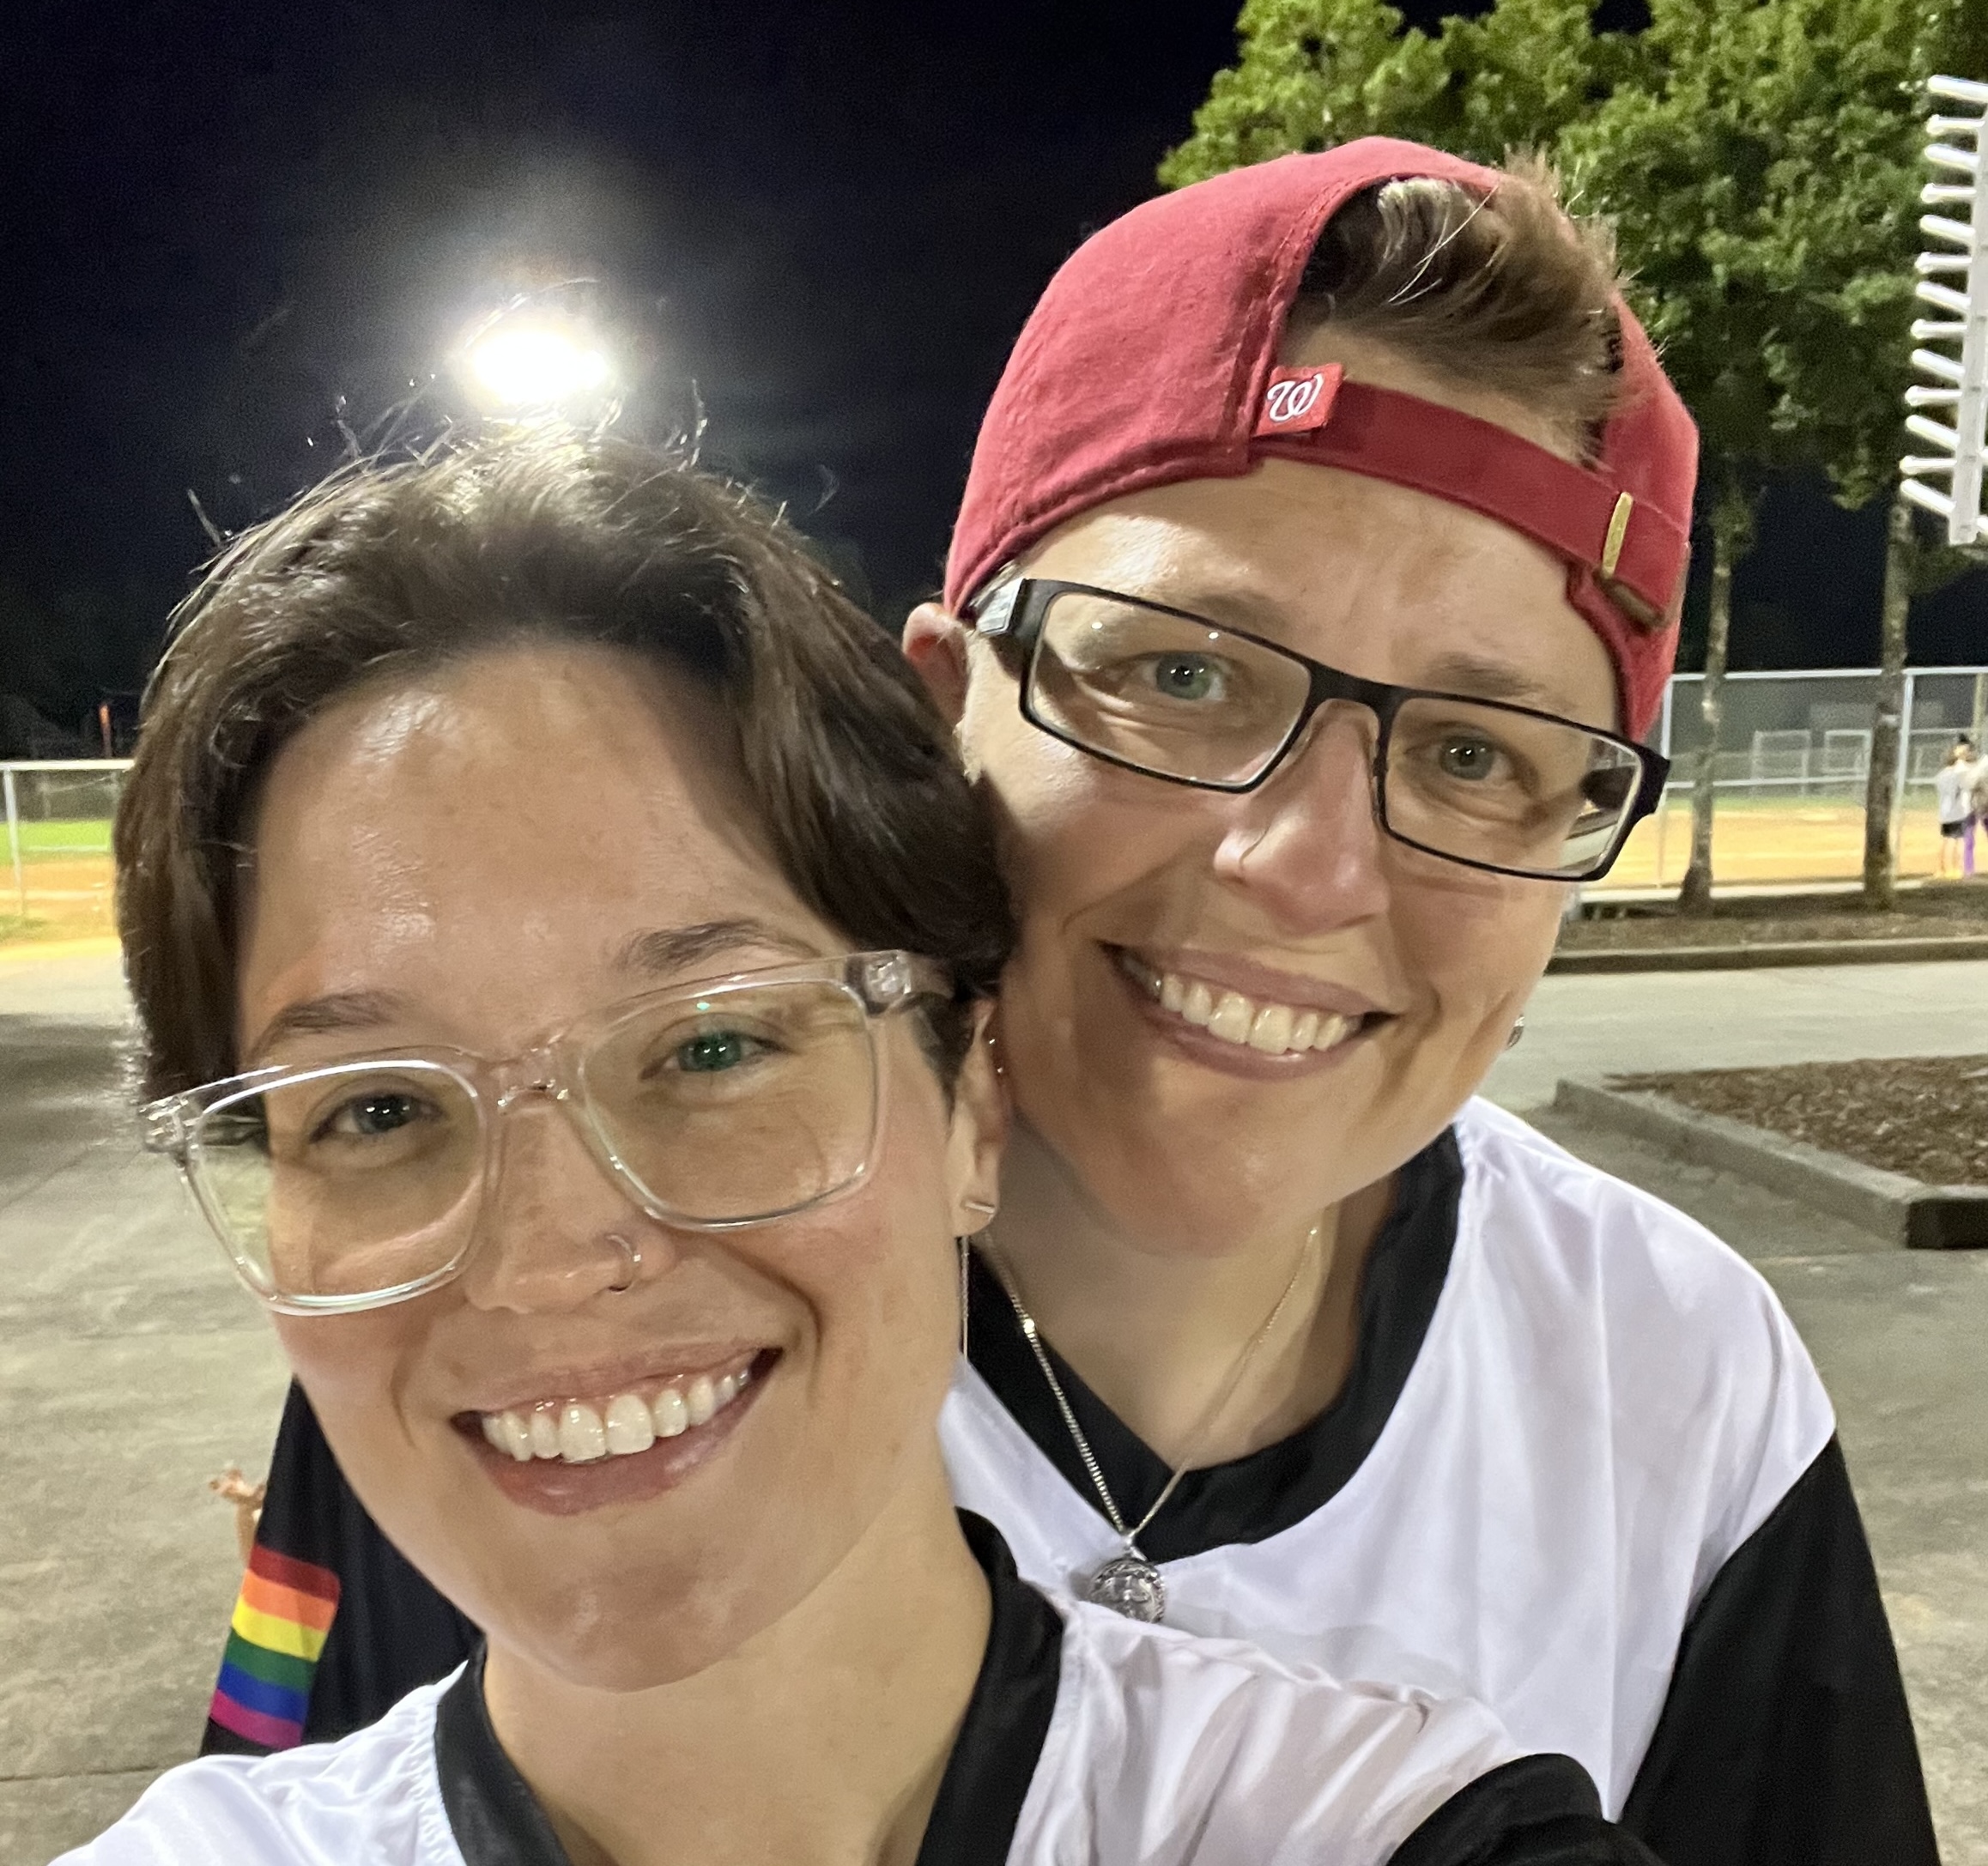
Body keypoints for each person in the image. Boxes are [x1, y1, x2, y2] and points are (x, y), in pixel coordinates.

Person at [207, 142, 1937, 1866]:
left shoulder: (1668, 1374)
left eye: (1482, 755)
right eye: (1182, 671)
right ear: (940, 709)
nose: (1309, 865)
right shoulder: (545, 1367)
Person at [71, 433, 1658, 1866]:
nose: (548, 1258)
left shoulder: (1378, 1828)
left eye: (713, 1044)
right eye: (377, 1108)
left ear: (972, 1099)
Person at [1936, 738, 1974, 878]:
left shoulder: (1941, 775)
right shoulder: (1956, 776)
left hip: (1944, 811)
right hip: (1957, 812)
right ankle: (1953, 869)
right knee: (1956, 841)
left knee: (1944, 840)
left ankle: (1940, 869)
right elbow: (1962, 790)